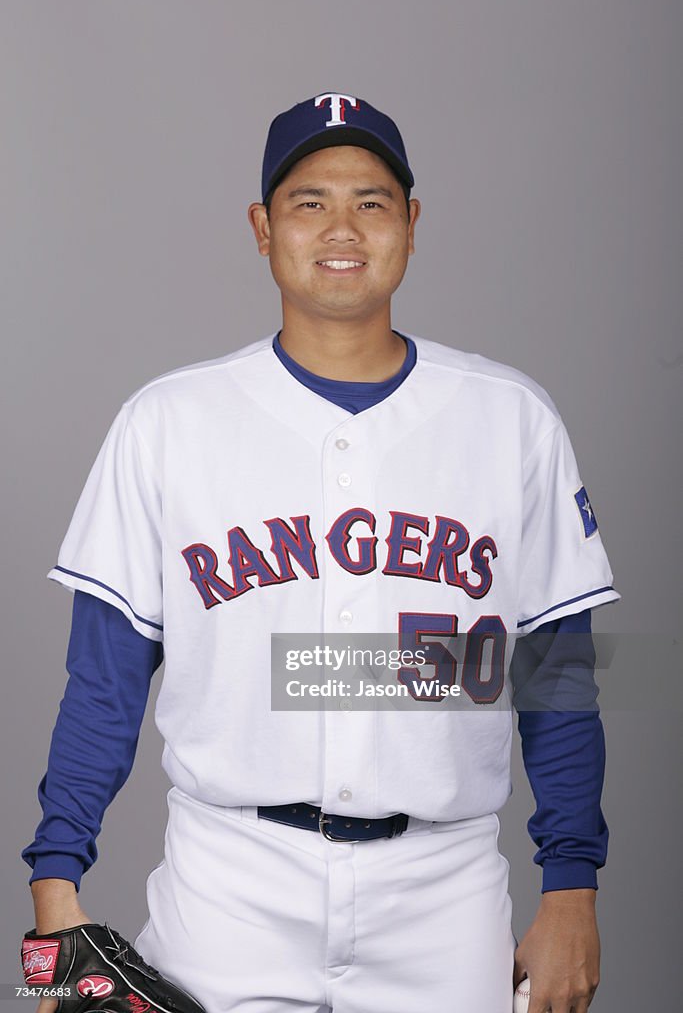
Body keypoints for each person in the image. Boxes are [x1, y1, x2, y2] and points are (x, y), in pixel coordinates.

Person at [23, 92, 619, 1013]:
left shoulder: (509, 420)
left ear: (411, 226)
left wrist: (571, 888)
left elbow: (554, 675)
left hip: (442, 889)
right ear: (262, 227)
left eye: (371, 202)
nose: (341, 226)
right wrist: (56, 885)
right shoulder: (167, 424)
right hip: (229, 885)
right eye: (309, 202)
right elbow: (104, 678)